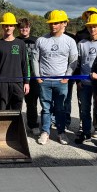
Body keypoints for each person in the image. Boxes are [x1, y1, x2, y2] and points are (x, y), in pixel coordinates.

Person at [32, 10, 78, 146]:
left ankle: (61, 132)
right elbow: (35, 60)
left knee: (60, 108)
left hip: (61, 82)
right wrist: (38, 77)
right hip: (45, 81)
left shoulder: (69, 41)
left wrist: (67, 77)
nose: (53, 26)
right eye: (51, 23)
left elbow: (74, 60)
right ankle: (45, 132)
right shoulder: (41, 40)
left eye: (56, 23)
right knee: (46, 109)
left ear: (64, 24)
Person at [0, 12, 30, 110]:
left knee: (16, 111)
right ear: (2, 26)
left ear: (14, 27)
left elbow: (24, 65)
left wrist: (26, 82)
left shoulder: (20, 44)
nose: (8, 28)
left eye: (11, 25)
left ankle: (15, 126)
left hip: (18, 83)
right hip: (2, 83)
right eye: (6, 25)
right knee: (2, 110)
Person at [74, 13, 97, 144]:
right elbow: (77, 63)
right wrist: (77, 80)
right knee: (85, 109)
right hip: (84, 83)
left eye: (95, 26)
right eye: (90, 27)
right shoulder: (82, 43)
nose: (92, 29)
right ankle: (86, 133)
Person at [17, 17, 40, 134]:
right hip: (19, 76)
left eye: (26, 27)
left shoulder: (37, 41)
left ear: (29, 28)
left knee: (31, 103)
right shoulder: (15, 41)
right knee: (17, 102)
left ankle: (33, 124)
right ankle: (17, 125)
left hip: (33, 76)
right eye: (21, 28)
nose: (24, 30)